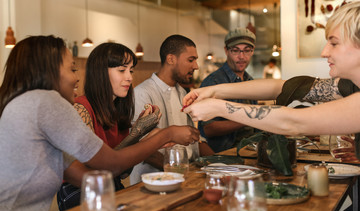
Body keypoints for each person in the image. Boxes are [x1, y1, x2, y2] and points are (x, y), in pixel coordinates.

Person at [0, 35, 199, 211]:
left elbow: (89, 176)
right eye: (72, 69)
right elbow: (109, 163)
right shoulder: (46, 102)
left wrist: (135, 201)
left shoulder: (28, 104)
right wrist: (166, 135)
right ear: (49, 71)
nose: (76, 77)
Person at [182, 1, 360, 160]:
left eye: (334, 43)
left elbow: (293, 122)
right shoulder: (348, 86)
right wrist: (214, 91)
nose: (324, 52)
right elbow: (281, 87)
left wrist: (218, 107)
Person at [57, 42, 183, 211]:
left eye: (131, 70)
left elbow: (123, 172)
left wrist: (142, 133)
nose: (129, 77)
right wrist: (137, 133)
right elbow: (94, 173)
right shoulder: (81, 109)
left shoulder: (118, 111)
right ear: (101, 72)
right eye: (122, 70)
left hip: (111, 187)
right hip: (80, 192)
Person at [130, 34, 214, 185]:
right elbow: (142, 148)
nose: (196, 66)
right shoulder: (142, 93)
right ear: (171, 59)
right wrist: (181, 173)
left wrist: (220, 165)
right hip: (152, 184)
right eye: (191, 60)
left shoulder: (183, 93)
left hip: (186, 177)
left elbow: (195, 141)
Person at [197, 28, 259, 153]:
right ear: (226, 50)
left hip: (251, 152)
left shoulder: (250, 81)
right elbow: (209, 129)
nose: (241, 56)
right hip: (225, 156)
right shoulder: (213, 82)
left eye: (247, 50)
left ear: (252, 51)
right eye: (235, 50)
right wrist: (249, 118)